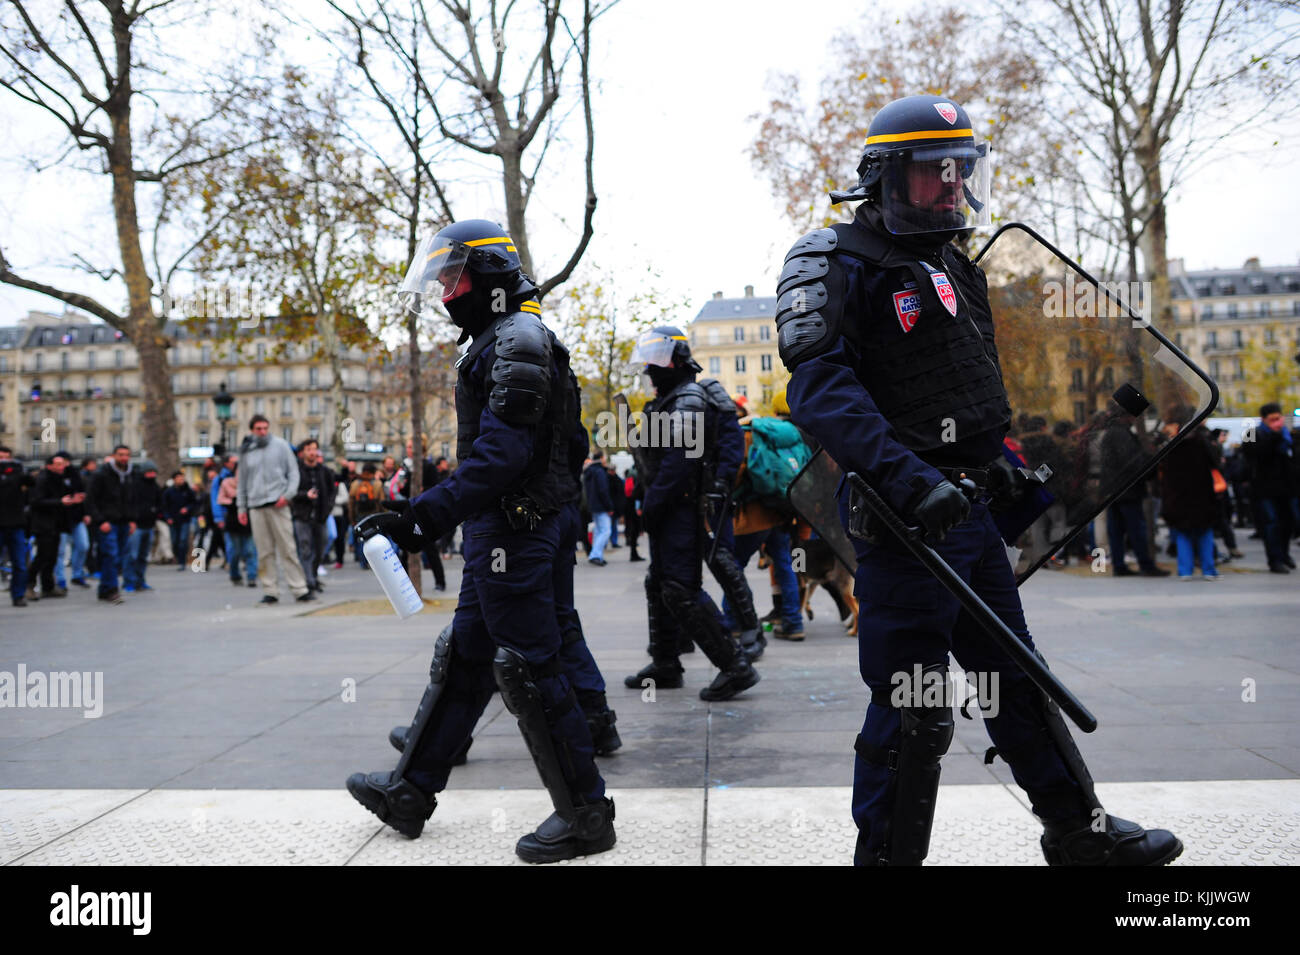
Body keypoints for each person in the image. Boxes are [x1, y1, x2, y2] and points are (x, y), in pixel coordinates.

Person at [777, 93, 1180, 865]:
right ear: (886, 175)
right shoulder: (831, 257)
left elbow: (962, 385)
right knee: (915, 703)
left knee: (1017, 678)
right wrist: (906, 479)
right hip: (902, 522)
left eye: (962, 169)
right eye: (936, 172)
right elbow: (820, 388)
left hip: (969, 517)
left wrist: (998, 458)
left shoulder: (954, 262)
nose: (954, 185)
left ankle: (1078, 832)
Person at [346, 218, 614, 862]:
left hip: (515, 530)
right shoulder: (509, 337)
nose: (444, 292)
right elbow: (569, 445)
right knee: (467, 653)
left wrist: (420, 519)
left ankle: (586, 815)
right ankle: (409, 790)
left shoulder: (515, 338)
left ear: (488, 275)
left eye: (452, 277)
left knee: (527, 667)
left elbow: (501, 454)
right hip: (517, 526)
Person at [622, 326, 761, 700]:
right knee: (659, 584)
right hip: (672, 507)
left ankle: (735, 666)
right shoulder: (673, 398)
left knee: (681, 589)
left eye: (656, 364)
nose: (650, 372)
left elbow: (679, 462)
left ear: (675, 362)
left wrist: (652, 505)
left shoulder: (688, 399)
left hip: (682, 508)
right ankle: (666, 662)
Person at [236, 415, 314, 604]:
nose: (262, 432)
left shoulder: (281, 445)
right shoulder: (247, 450)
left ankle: (299, 588)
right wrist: (242, 507)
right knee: (264, 552)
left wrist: (287, 496)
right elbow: (242, 481)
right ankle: (270, 590)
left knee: (288, 548)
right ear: (252, 430)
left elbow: (293, 473)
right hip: (256, 505)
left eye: (265, 428)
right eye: (258, 429)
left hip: (278, 503)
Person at [1157, 417, 1219, 580]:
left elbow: (1164, 473)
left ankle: (1185, 569)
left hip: (1178, 497)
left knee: (1183, 535)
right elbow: (1216, 463)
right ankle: (1208, 569)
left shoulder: (1172, 448)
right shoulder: (1202, 445)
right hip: (1202, 495)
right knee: (1205, 533)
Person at [86, 445, 135, 605]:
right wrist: (100, 520)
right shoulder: (101, 474)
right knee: (111, 555)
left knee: (116, 556)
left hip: (123, 521)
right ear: (113, 455)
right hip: (107, 521)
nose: (124, 458)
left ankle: (104, 589)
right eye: (121, 455)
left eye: (127, 455)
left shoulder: (129, 474)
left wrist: (132, 520)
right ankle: (112, 590)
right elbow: (91, 499)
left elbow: (132, 498)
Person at [1253, 403, 1296, 573]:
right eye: (1273, 419)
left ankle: (1284, 555)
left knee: (1287, 523)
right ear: (1264, 419)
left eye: (1279, 418)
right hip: (1264, 488)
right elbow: (1253, 454)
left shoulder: (1288, 435)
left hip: (1286, 487)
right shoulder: (1252, 433)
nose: (1278, 422)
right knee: (1271, 524)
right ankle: (1275, 559)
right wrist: (1274, 436)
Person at [28, 454, 78, 599]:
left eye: (63, 464)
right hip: (43, 524)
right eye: (59, 464)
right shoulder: (42, 479)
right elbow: (37, 501)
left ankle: (48, 586)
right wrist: (60, 502)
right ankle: (29, 585)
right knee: (42, 556)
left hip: (56, 523)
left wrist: (71, 499)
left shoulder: (59, 479)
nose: (63, 467)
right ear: (49, 465)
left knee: (52, 557)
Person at [291, 438, 336, 595]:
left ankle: (313, 576)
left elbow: (332, 492)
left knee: (320, 547)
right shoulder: (295, 471)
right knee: (305, 549)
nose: (312, 452)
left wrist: (328, 508)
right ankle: (308, 581)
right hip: (302, 516)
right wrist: (305, 495)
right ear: (303, 452)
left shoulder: (324, 471)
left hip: (320, 517)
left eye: (314, 449)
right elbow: (291, 492)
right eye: (309, 449)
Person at [215, 458, 258, 587]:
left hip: (249, 521)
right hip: (233, 521)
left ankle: (251, 577)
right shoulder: (227, 483)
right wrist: (233, 501)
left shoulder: (252, 484)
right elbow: (220, 499)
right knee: (235, 551)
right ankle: (235, 575)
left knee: (250, 550)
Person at [0, 446, 33, 606]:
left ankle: (18, 595)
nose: (4, 462)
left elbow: (31, 482)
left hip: (16, 524)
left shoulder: (17, 472)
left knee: (20, 563)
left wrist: (18, 469)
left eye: (7, 458)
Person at [124, 462, 162, 593]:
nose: (152, 474)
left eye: (153, 472)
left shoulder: (155, 486)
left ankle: (140, 581)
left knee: (143, 556)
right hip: (136, 525)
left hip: (149, 525)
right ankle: (129, 582)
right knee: (132, 556)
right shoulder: (135, 485)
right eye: (149, 472)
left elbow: (159, 501)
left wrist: (156, 512)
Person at [583, 448, 613, 565]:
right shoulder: (599, 472)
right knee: (606, 530)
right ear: (601, 458)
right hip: (601, 505)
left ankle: (597, 555)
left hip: (593, 504)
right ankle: (595, 554)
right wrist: (609, 506)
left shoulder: (589, 471)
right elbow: (603, 490)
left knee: (598, 531)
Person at [162, 471, 197, 572]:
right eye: (178, 478)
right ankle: (177, 557)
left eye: (182, 478)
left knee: (183, 540)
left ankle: (182, 562)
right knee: (174, 541)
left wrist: (187, 508)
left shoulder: (188, 491)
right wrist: (167, 517)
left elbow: (194, 503)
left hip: (185, 520)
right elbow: (164, 507)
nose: (181, 480)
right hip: (173, 520)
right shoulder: (168, 492)